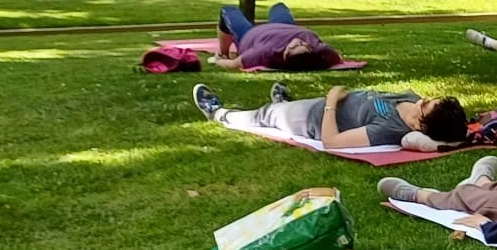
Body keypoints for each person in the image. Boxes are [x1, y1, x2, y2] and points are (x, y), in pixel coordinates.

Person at [192, 81, 468, 151]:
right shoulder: (410, 99)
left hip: (313, 118)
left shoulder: (389, 129)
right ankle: (284, 104)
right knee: (279, 111)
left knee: (265, 115)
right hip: (319, 105)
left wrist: (332, 101)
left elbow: (331, 141)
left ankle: (219, 114)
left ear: (421, 125)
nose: (422, 99)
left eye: (426, 105)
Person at [216, 2, 343, 72]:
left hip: (251, 34)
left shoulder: (264, 52)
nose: (302, 42)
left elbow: (233, 64)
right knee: (279, 7)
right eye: (306, 46)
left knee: (228, 11)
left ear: (286, 52)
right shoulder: (319, 50)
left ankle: (224, 52)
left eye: (297, 45)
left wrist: (218, 60)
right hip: (284, 26)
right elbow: (338, 57)